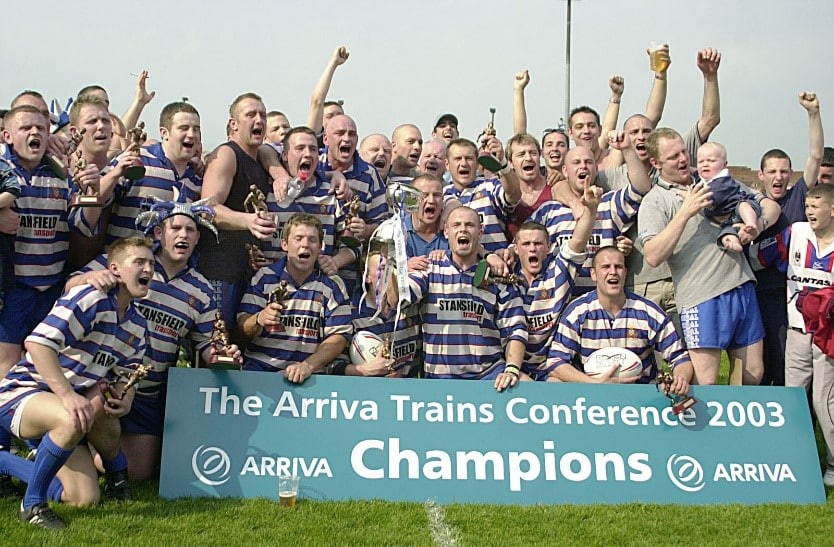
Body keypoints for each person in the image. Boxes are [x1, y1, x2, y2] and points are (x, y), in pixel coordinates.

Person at [65, 200, 235, 482]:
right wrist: (91, 277)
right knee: (97, 410)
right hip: (103, 378)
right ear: (159, 233)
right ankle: (68, 445)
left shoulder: (202, 289)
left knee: (138, 473)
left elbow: (208, 344)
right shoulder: (134, 262)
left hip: (147, 391)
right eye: (176, 228)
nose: (183, 235)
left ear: (197, 238)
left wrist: (220, 355)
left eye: (190, 230)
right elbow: (70, 285)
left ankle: (83, 451)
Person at [0, 236, 153, 529]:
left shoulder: (137, 324)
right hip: (22, 393)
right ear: (115, 270)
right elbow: (37, 344)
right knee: (73, 415)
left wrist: (127, 396)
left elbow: (128, 372)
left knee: (82, 498)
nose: (148, 269)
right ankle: (31, 506)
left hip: (67, 402)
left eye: (151, 264)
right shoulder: (90, 298)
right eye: (139, 262)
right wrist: (68, 395)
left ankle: (115, 478)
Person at [640, 127, 780, 385]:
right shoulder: (655, 200)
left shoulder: (715, 179)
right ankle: (709, 427)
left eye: (683, 151)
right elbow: (652, 255)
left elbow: (771, 206)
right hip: (701, 297)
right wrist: (686, 211)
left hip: (741, 287)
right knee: (706, 381)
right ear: (655, 163)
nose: (683, 159)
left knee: (750, 375)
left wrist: (755, 226)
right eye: (673, 157)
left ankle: (737, 426)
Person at [753, 183, 834, 484]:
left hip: (828, 337)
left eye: (816, 206)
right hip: (797, 331)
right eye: (808, 206)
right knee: (793, 398)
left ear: (833, 210)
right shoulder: (797, 232)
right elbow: (762, 255)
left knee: (825, 402)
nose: (809, 211)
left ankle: (833, 463)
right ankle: (791, 458)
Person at [395, 206, 527, 390]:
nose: (463, 229)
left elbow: (516, 329)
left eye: (470, 225)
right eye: (456, 225)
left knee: (528, 387)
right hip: (441, 379)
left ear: (480, 232)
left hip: (488, 375)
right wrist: (391, 264)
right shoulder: (430, 268)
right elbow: (399, 296)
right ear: (446, 232)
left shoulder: (498, 276)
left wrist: (511, 370)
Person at [546, 246, 694, 390]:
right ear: (593, 274)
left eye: (618, 267)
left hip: (641, 397)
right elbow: (556, 363)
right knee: (553, 383)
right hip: (591, 395)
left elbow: (680, 358)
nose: (613, 272)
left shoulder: (648, 312)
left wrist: (680, 379)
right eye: (605, 267)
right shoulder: (578, 312)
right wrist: (594, 384)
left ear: (625, 272)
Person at [753, 93, 823, 386]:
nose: (778, 176)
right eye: (772, 171)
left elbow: (816, 156)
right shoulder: (749, 203)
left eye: (784, 171)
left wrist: (813, 113)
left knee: (787, 365)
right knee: (759, 366)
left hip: (790, 296)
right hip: (757, 295)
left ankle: (794, 421)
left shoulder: (799, 197)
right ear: (761, 175)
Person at [530, 131, 651, 295]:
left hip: (600, 300)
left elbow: (641, 189)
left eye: (588, 162)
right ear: (565, 171)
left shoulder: (609, 203)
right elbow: (523, 241)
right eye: (576, 162)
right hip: (560, 299)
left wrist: (628, 149)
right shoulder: (548, 211)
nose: (583, 166)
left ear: (596, 169)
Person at [237, 214, 352, 381]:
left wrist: (307, 365)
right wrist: (259, 318)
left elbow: (338, 338)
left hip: (309, 377)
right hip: (259, 371)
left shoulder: (333, 285)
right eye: (298, 238)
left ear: (321, 247)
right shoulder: (265, 277)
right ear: (285, 244)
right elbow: (241, 328)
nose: (305, 244)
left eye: (312, 240)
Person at [197, 93, 275, 328]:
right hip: (221, 271)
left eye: (262, 115)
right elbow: (206, 208)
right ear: (234, 124)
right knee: (218, 343)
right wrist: (249, 221)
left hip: (249, 272)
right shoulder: (227, 155)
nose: (258, 120)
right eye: (250, 114)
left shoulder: (262, 159)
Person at [515, 176, 600, 379]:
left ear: (548, 248)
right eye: (526, 244)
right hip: (514, 368)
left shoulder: (558, 273)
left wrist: (590, 211)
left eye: (538, 244)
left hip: (552, 368)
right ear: (516, 249)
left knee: (557, 386)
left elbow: (578, 240)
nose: (532, 248)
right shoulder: (504, 281)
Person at [105, 101, 203, 245]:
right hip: (123, 262)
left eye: (196, 129)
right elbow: (98, 198)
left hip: (165, 267)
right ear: (164, 133)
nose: (191, 134)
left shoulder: (196, 180)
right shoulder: (137, 159)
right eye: (184, 128)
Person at [443, 138, 521, 253]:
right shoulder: (441, 194)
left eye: (469, 158)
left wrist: (503, 164)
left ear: (477, 164)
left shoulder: (488, 186)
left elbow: (514, 195)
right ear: (447, 164)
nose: (463, 163)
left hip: (495, 265)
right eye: (458, 158)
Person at [696, 142, 769, 251]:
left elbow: (712, 197)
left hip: (738, 207)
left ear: (724, 165)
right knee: (726, 232)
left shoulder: (722, 181)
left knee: (743, 206)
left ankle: (751, 224)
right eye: (700, 161)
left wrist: (690, 196)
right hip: (728, 219)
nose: (705, 164)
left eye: (711, 161)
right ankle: (733, 243)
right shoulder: (702, 179)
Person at [404, 174, 448, 264]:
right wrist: (403, 268)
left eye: (436, 195)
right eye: (424, 195)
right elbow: (378, 270)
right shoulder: (395, 230)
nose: (431, 200)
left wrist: (450, 257)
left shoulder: (452, 230)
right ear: (411, 200)